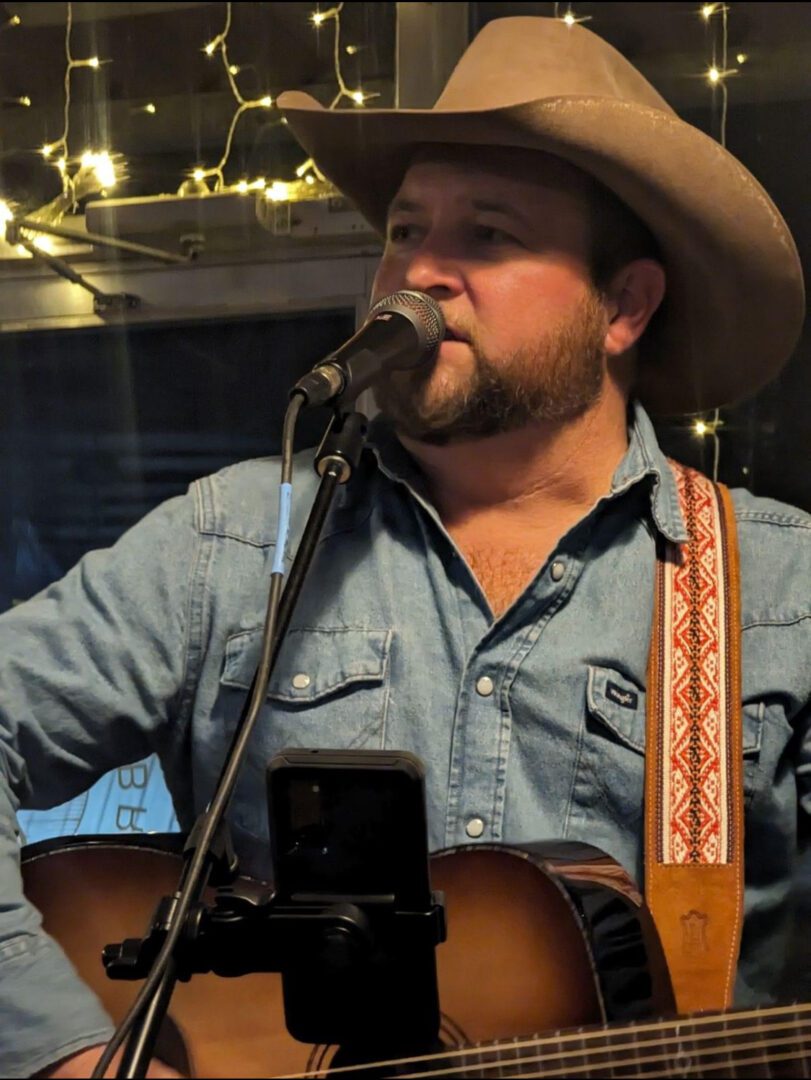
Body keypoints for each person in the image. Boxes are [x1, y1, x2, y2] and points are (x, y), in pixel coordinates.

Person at [1, 14, 808, 1079]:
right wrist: (66, 1050)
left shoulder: (781, 586)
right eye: (401, 231)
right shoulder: (235, 541)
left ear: (625, 306)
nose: (417, 271)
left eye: (487, 234)